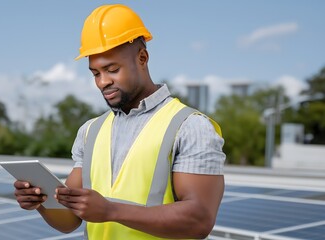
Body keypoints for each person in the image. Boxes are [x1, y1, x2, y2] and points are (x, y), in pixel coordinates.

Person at [14, 4, 225, 240]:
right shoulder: (90, 132)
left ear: (142, 58)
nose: (103, 82)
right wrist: (40, 202)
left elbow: (199, 219)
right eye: (95, 73)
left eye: (112, 69)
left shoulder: (190, 127)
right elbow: (70, 219)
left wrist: (111, 210)